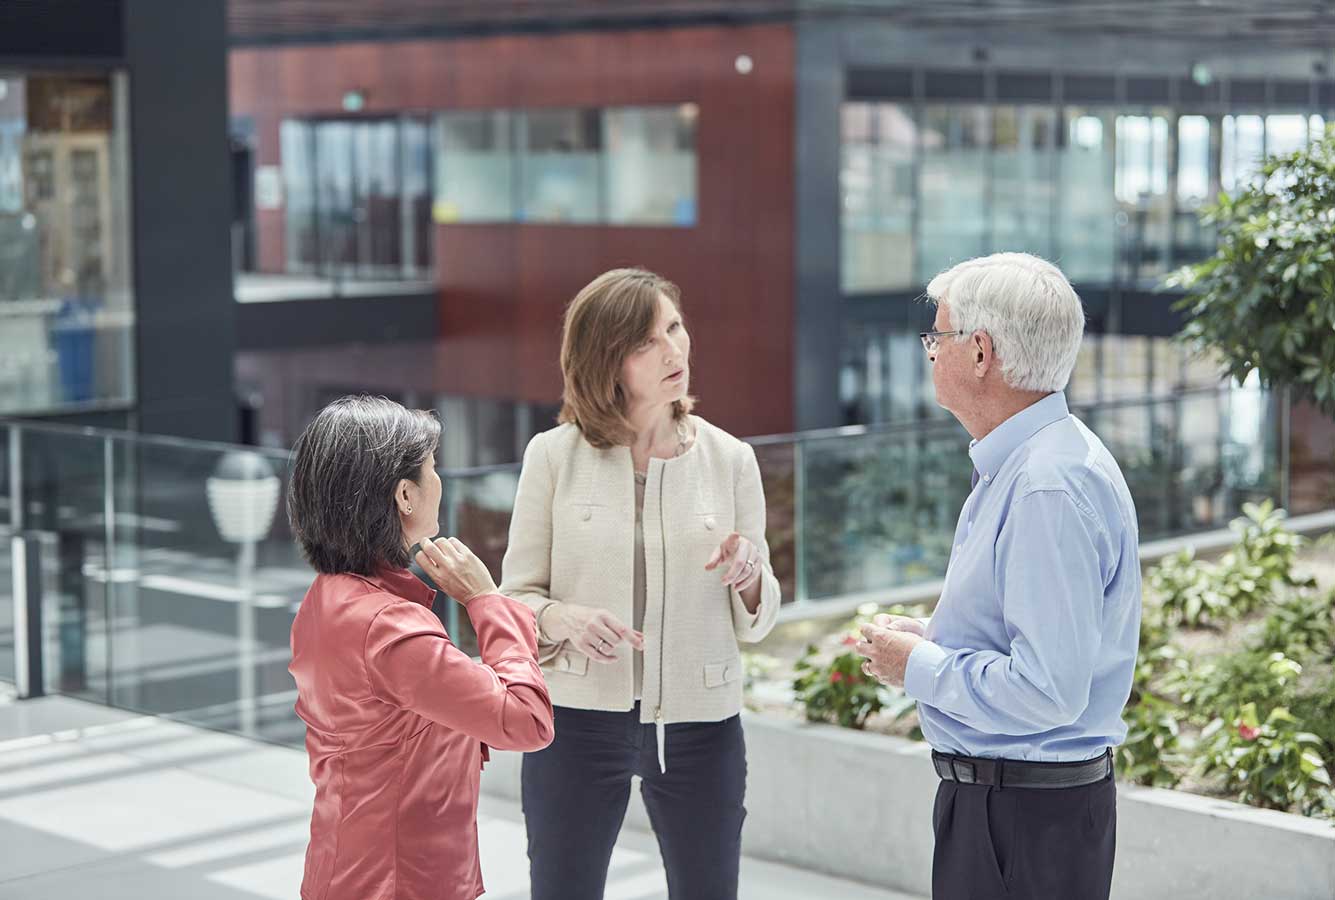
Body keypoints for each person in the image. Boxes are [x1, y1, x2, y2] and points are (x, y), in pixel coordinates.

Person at [855, 253, 1140, 900]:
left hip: (1021, 821)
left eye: (939, 335)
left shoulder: (1044, 486)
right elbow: (1035, 640)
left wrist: (919, 668)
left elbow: (1047, 689)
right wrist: (932, 638)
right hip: (1014, 812)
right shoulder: (1038, 464)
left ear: (979, 352)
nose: (930, 350)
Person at [501, 268, 782, 900]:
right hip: (574, 719)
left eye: (675, 328)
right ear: (607, 361)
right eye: (646, 341)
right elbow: (513, 598)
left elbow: (758, 618)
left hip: (699, 722)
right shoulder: (552, 456)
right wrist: (561, 619)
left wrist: (749, 577)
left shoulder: (731, 460)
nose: (673, 350)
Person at [286, 395, 554, 900]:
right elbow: (528, 721)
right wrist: (486, 601)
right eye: (433, 468)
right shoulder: (390, 626)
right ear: (404, 495)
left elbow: (404, 712)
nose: (440, 481)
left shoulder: (326, 599)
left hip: (346, 870)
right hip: (402, 882)